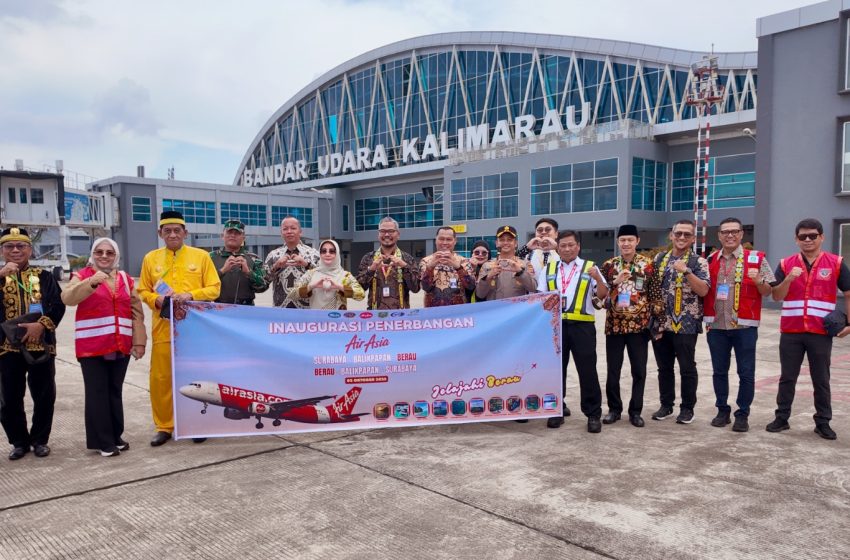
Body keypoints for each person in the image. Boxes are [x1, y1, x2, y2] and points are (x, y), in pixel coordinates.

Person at [137, 211, 221, 447]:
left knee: (196, 378)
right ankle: (165, 426)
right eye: (167, 231)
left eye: (177, 230)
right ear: (160, 233)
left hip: (195, 330)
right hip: (163, 328)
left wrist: (191, 294)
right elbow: (142, 290)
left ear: (186, 232)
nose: (172, 234)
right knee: (162, 378)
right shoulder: (150, 259)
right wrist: (157, 300)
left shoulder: (201, 256)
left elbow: (214, 288)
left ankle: (196, 424)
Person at [61, 238, 146, 457]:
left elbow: (136, 312)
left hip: (120, 344)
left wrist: (139, 341)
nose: (104, 256)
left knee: (114, 392)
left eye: (109, 252)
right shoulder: (82, 276)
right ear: (93, 254)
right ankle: (102, 441)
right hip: (92, 345)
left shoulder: (126, 279)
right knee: (97, 393)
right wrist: (91, 283)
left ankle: (116, 435)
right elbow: (67, 298)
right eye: (99, 252)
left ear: (116, 256)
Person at [766, 218, 850, 440]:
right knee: (787, 377)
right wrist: (788, 280)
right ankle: (782, 418)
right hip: (792, 331)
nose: (808, 240)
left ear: (821, 237)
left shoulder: (836, 263)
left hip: (820, 332)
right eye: (803, 236)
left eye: (813, 235)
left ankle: (823, 422)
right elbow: (776, 296)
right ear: (796, 239)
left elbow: (849, 293)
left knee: (821, 378)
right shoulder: (786, 264)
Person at [703, 217, 775, 433]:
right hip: (717, 326)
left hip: (744, 327)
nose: (730, 235)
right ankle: (722, 410)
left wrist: (758, 281)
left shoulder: (757, 259)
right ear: (719, 235)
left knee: (746, 373)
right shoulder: (710, 259)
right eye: (725, 232)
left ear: (742, 234)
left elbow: (768, 291)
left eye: (734, 231)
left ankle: (742, 414)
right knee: (719, 372)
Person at [0, 227, 66, 460]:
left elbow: (58, 305)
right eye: (9, 246)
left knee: (44, 395)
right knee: (9, 398)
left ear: (30, 249)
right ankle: (18, 442)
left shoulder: (45, 276)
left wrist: (42, 325)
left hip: (41, 344)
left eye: (21, 246)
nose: (16, 250)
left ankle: (40, 440)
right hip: (6, 348)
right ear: (2, 250)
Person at [537, 230, 608, 433]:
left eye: (571, 245)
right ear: (557, 247)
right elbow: (541, 297)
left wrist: (599, 279)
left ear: (578, 246)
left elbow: (602, 296)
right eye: (563, 245)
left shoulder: (590, 267)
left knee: (587, 371)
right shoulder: (549, 268)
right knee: (556, 371)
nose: (567, 249)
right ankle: (556, 411)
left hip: (582, 326)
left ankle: (593, 414)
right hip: (556, 327)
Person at [599, 225, 663, 428]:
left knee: (639, 371)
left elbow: (655, 297)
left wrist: (657, 324)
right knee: (613, 371)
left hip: (639, 328)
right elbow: (599, 296)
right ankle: (614, 409)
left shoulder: (648, 265)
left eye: (630, 240)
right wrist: (613, 283)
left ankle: (635, 411)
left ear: (637, 242)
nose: (626, 243)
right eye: (622, 240)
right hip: (614, 327)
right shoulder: (609, 266)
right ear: (618, 242)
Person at [650, 220, 710, 425]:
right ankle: (666, 405)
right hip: (661, 323)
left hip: (686, 324)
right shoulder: (659, 259)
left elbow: (703, 290)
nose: (682, 238)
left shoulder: (698, 262)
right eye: (678, 234)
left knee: (687, 367)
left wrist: (686, 271)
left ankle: (687, 408)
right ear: (671, 235)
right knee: (663, 367)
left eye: (687, 235)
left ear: (693, 238)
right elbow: (652, 290)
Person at [357, 217, 420, 309]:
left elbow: (415, 288)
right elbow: (359, 289)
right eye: (382, 231)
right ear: (378, 234)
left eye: (391, 231)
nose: (386, 234)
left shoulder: (407, 259)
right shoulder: (369, 258)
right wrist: (371, 269)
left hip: (401, 317)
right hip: (375, 317)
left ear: (398, 234)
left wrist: (404, 267)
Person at [292, 240, 364, 309]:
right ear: (320, 254)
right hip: (316, 320)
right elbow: (292, 295)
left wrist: (339, 286)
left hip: (338, 320)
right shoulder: (311, 274)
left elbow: (361, 295)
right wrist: (311, 286)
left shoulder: (345, 276)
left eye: (332, 251)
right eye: (323, 251)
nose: (327, 254)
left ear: (337, 254)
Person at [209, 219, 268, 305]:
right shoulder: (211, 257)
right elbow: (204, 284)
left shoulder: (253, 258)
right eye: (229, 232)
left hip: (246, 309)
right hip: (219, 309)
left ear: (243, 237)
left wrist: (248, 273)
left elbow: (263, 287)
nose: (232, 235)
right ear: (222, 236)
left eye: (237, 233)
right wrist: (222, 271)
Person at [264, 217, 319, 308]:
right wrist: (276, 266)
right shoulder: (273, 255)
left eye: (293, 228)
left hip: (307, 311)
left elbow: (323, 277)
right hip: (281, 311)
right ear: (281, 233)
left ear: (300, 232)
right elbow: (264, 282)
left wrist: (307, 264)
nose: (289, 231)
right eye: (285, 229)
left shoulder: (313, 254)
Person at [475, 226, 536, 301]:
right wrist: (489, 276)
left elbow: (534, 288)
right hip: (494, 310)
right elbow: (480, 294)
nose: (505, 243)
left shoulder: (524, 264)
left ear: (516, 243)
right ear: (497, 243)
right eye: (502, 240)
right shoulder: (487, 265)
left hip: (517, 310)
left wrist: (520, 272)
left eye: (509, 240)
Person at [419, 227, 476, 307]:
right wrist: (430, 267)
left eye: (449, 239)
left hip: (458, 313)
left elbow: (471, 286)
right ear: (436, 240)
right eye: (441, 239)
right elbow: (425, 287)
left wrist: (458, 268)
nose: (444, 242)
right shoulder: (426, 261)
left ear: (455, 241)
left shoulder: (464, 261)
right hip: (433, 313)